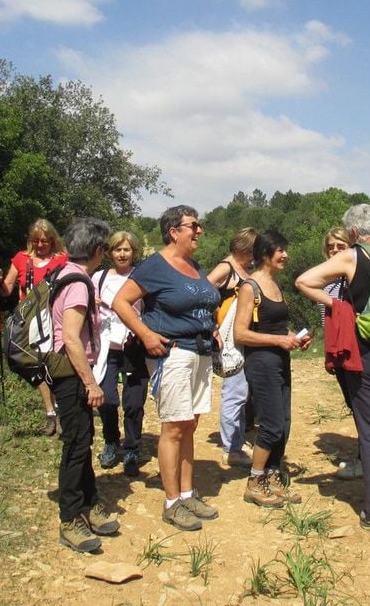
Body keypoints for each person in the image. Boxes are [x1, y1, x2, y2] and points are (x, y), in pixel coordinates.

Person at [295, 205, 370, 537]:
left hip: (367, 357)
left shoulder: (351, 256)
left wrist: (339, 306)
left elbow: (303, 281)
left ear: (352, 232)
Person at [112, 206, 222, 532]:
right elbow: (120, 301)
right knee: (174, 427)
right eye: (193, 225)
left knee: (189, 426)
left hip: (200, 353)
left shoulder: (193, 266)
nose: (199, 231)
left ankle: (188, 493)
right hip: (173, 354)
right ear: (174, 231)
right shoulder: (154, 266)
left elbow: (202, 303)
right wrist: (145, 334)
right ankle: (172, 501)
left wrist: (211, 325)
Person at [49, 217, 120, 553]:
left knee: (83, 440)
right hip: (72, 372)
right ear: (96, 250)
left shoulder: (63, 274)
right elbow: (72, 340)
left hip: (67, 372)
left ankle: (89, 504)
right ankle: (70, 518)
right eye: (104, 248)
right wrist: (91, 383)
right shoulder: (79, 284)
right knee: (76, 445)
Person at [234, 229, 312, 508]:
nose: (286, 255)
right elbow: (240, 334)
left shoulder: (276, 285)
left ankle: (273, 475)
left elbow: (276, 324)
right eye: (280, 250)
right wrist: (279, 340)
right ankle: (254, 482)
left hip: (280, 360)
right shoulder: (249, 287)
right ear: (266, 253)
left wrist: (293, 336)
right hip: (262, 363)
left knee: (284, 422)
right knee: (271, 424)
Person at [0, 218, 69, 436]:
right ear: (30, 240)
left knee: (54, 362)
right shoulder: (21, 259)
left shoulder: (62, 259)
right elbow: (6, 289)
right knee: (33, 364)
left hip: (54, 318)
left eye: (45, 240)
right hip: (28, 321)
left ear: (53, 240)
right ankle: (50, 412)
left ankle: (60, 411)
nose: (41, 245)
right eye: (36, 241)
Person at [92, 231, 149, 477]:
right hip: (105, 345)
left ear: (133, 252)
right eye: (117, 249)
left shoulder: (142, 277)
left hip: (134, 345)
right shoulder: (98, 277)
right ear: (109, 253)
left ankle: (132, 448)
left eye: (126, 250)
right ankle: (111, 440)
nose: (122, 254)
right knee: (106, 398)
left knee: (134, 402)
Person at [206, 227, 257, 468]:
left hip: (240, 337)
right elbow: (204, 293)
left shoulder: (242, 268)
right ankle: (231, 448)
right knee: (234, 393)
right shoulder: (226, 268)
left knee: (241, 392)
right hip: (229, 339)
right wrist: (211, 325)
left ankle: (236, 440)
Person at [319, 226, 362, 480]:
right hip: (336, 347)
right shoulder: (327, 277)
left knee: (361, 404)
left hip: (352, 347)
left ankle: (365, 459)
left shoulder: (352, 276)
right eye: (331, 247)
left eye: (340, 246)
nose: (334, 250)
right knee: (353, 402)